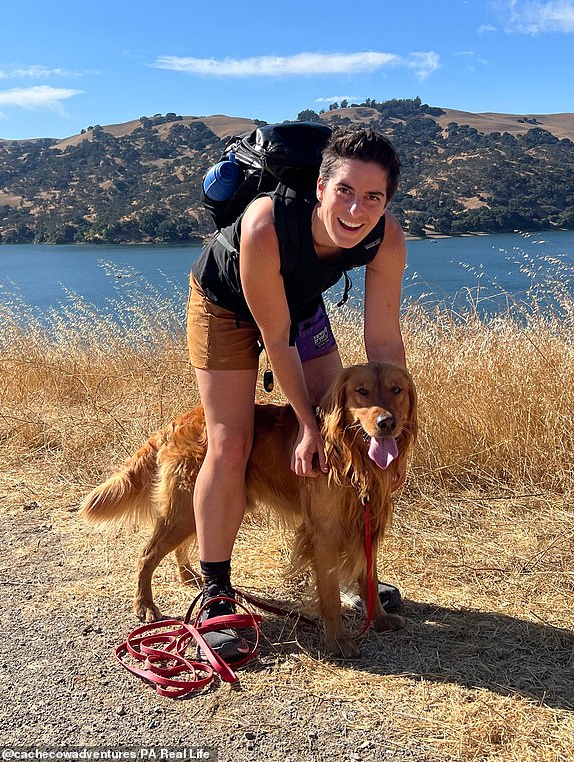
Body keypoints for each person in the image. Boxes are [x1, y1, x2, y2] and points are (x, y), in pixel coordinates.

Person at [186, 127, 407, 658]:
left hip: (300, 304)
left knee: (342, 429)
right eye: (345, 192)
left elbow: (382, 342)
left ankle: (351, 574)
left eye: (373, 197)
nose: (356, 210)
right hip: (224, 305)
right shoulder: (267, 225)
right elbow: (276, 339)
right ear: (320, 186)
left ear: (387, 201)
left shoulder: (385, 238)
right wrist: (306, 427)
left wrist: (397, 423)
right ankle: (217, 591)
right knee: (231, 441)